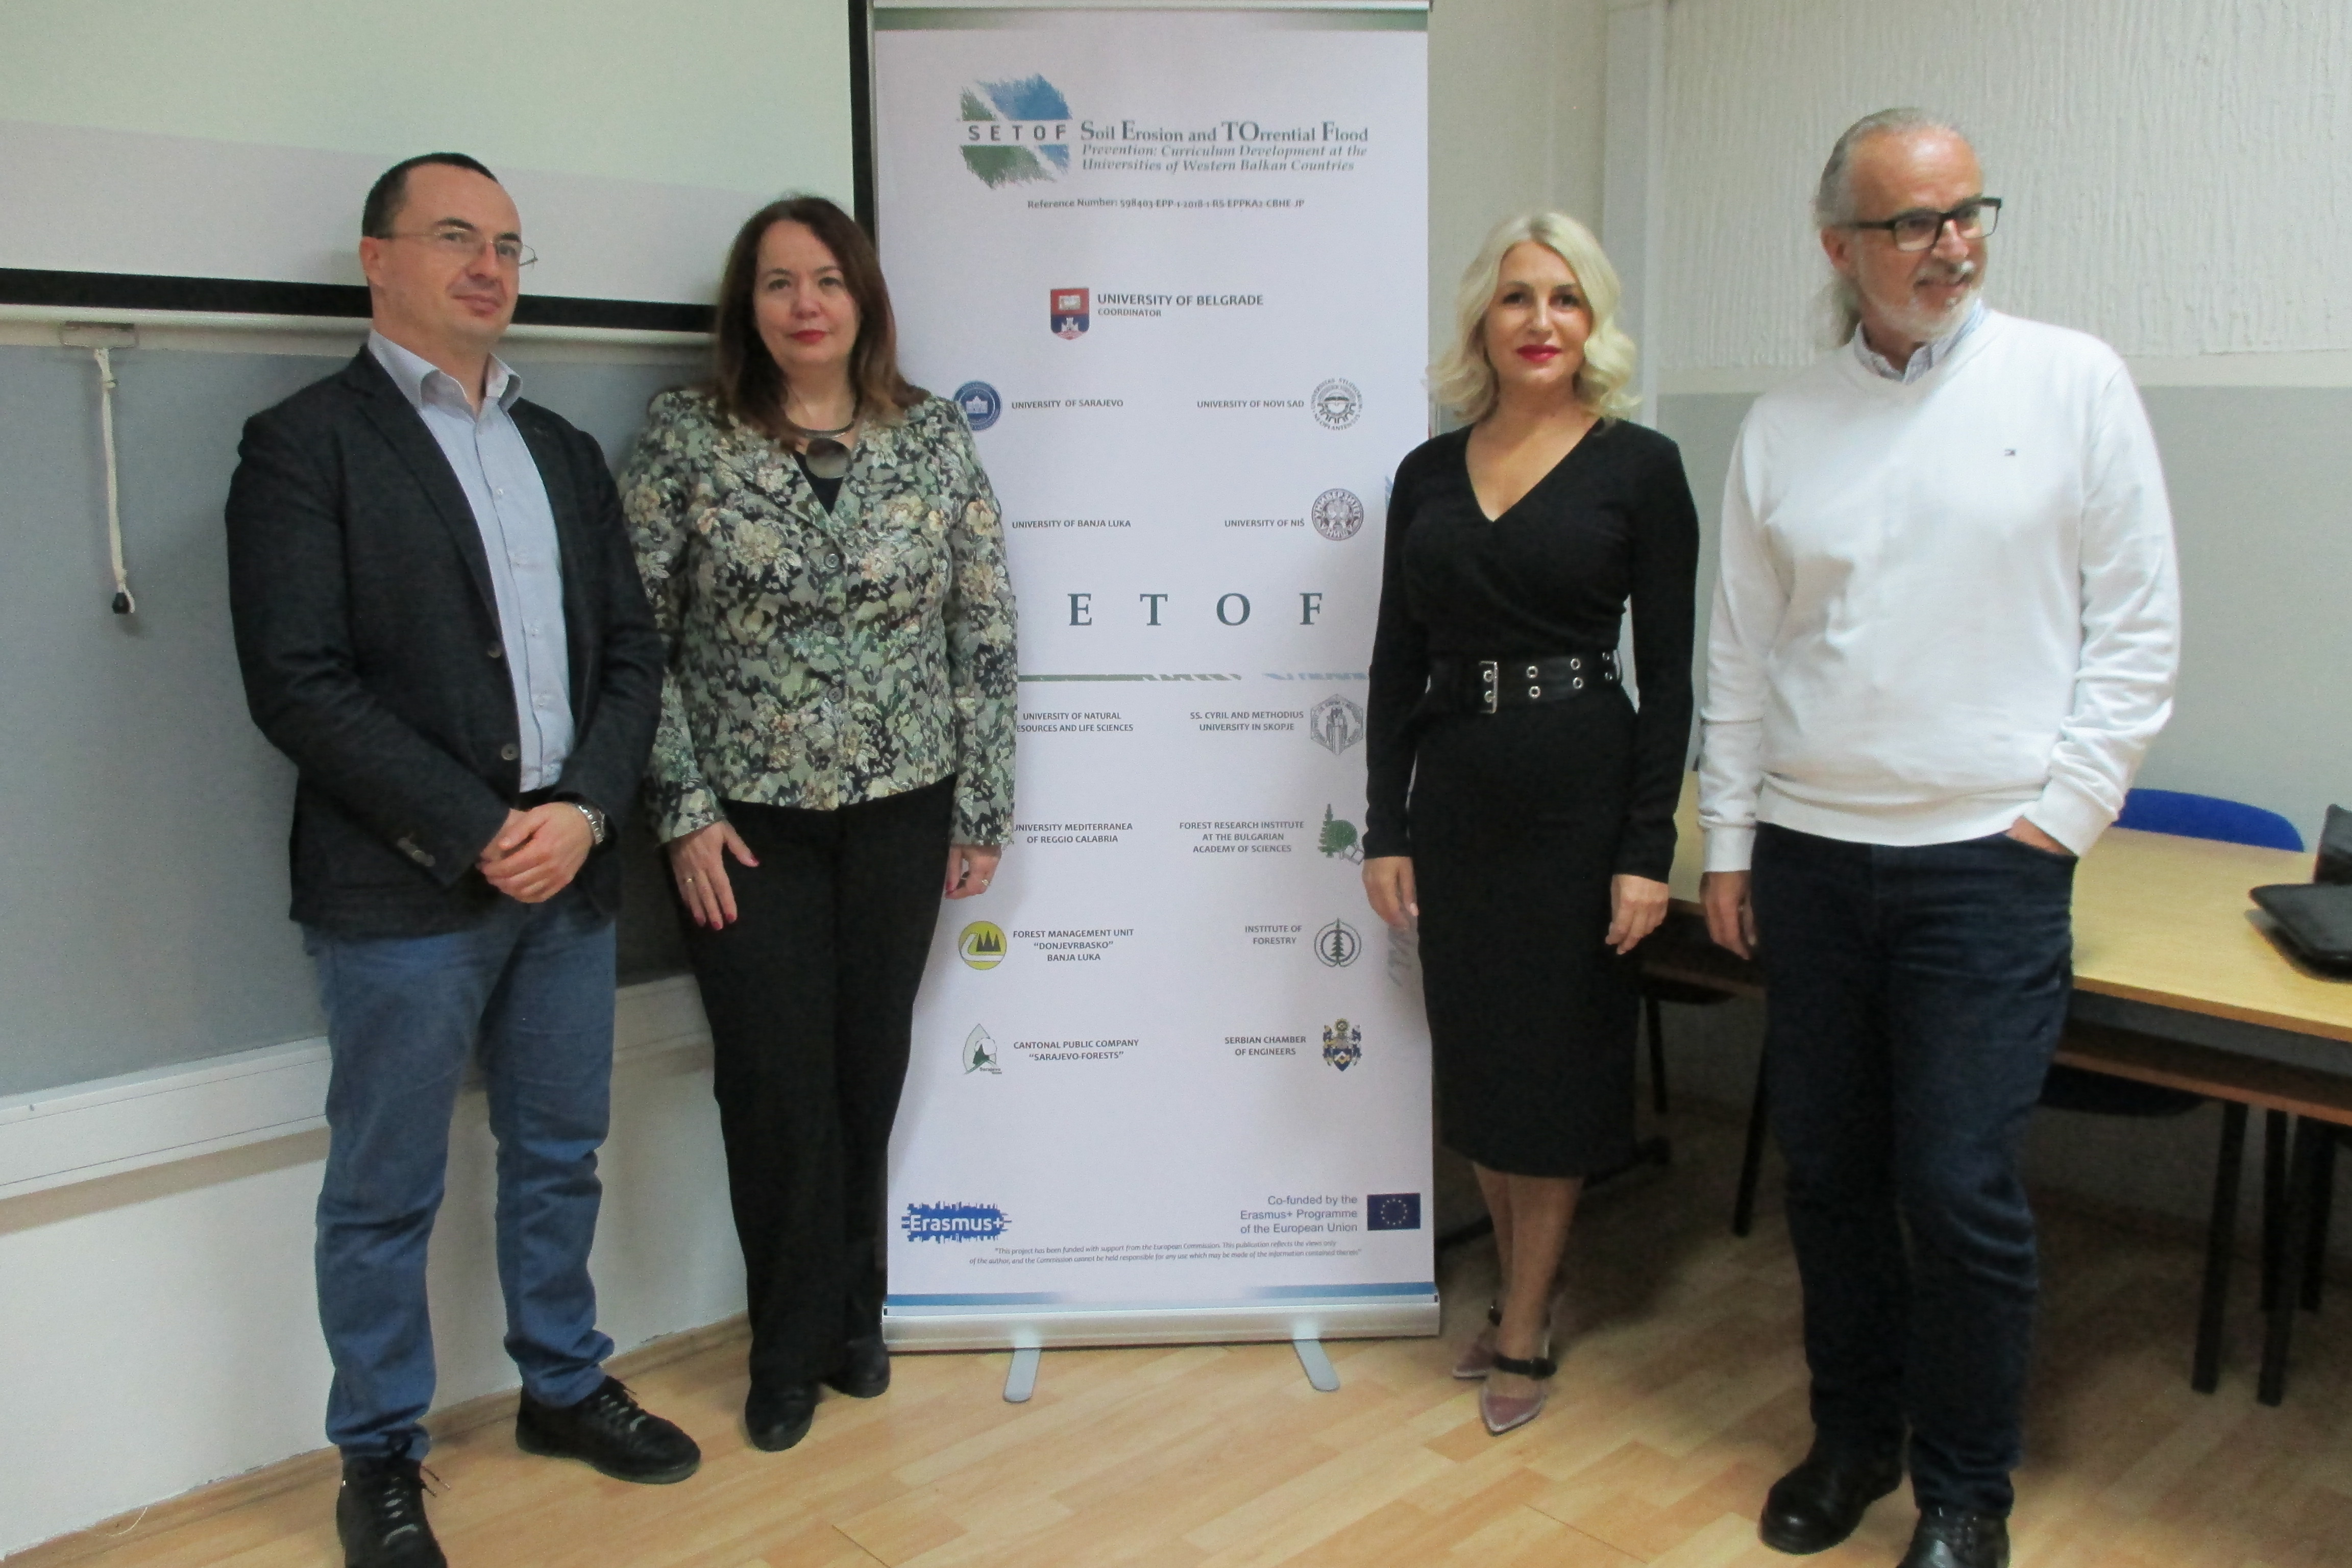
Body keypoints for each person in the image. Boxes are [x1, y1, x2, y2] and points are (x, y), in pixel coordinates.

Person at [1699, 110, 2180, 1568]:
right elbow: (1740, 655)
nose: (1951, 244)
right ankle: (1853, 1441)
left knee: (1959, 1191)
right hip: (1811, 859)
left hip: (1988, 867)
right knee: (1830, 1179)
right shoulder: (1784, 425)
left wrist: (2057, 822)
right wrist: (1730, 843)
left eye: (1968, 212)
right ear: (1839, 247)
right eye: (1912, 221)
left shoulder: (2073, 383)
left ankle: (1966, 1496)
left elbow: (2137, 632)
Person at [225, 153, 698, 1568]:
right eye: (454, 238)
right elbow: (299, 685)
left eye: (507, 244)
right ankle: (378, 1456)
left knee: (559, 1151)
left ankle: (561, 1385)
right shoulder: (303, 446)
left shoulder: (561, 450)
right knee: (386, 1189)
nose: (489, 267)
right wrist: (484, 828)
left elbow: (633, 655)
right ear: (378, 260)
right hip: (404, 891)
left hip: (571, 871)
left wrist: (585, 811)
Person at [622, 194, 1017, 1453]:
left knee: (865, 1071)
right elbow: (632, 641)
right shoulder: (687, 438)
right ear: (748, 307)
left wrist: (984, 803)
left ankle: (858, 1317)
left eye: (829, 280)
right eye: (780, 282)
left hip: (904, 812)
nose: (806, 304)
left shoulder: (933, 436)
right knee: (774, 1086)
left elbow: (983, 628)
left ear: (863, 300)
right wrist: (682, 809)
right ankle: (785, 1348)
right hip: (746, 831)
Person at [1363, 211, 1699, 1436]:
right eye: (1517, 297)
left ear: (1593, 322)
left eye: (1566, 299)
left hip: (1579, 793)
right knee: (1484, 1061)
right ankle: (1524, 1286)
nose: (1540, 321)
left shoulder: (1639, 467)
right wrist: (1384, 826)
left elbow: (1671, 677)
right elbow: (1394, 664)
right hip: (1458, 794)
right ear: (1483, 322)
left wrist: (1646, 851)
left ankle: (1524, 1322)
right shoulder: (1424, 474)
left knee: (1552, 1070)